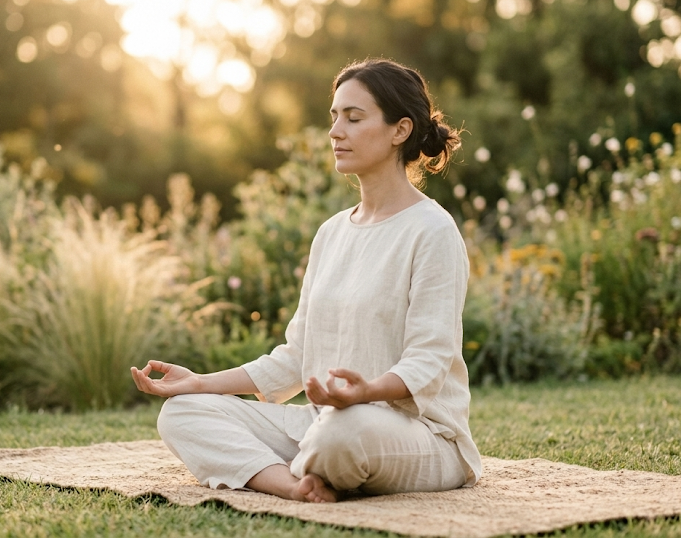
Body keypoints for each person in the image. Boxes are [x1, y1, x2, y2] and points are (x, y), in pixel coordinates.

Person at [131, 58, 481, 503]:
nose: (336, 131)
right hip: (325, 425)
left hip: (416, 436)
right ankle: (295, 485)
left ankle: (316, 464)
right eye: (334, 118)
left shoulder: (432, 231)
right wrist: (199, 382)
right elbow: (296, 358)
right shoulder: (332, 233)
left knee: (343, 432)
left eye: (354, 118)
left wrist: (366, 393)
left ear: (400, 130)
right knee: (181, 413)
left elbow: (429, 362)